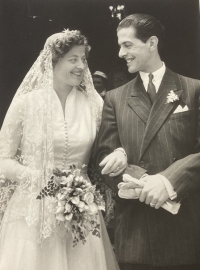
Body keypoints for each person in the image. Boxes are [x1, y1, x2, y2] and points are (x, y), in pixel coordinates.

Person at [0, 29, 126, 270]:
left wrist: (119, 153)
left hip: (81, 209)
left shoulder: (95, 104)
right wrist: (38, 178)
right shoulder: (26, 104)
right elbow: (3, 158)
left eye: (84, 58)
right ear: (53, 62)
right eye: (73, 59)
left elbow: (111, 145)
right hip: (32, 211)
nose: (81, 66)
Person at [95, 14, 200, 270]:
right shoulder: (115, 98)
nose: (121, 53)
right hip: (136, 234)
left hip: (184, 230)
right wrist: (140, 179)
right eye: (120, 45)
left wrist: (167, 180)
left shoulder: (193, 89)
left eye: (128, 45)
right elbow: (103, 157)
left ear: (152, 43)